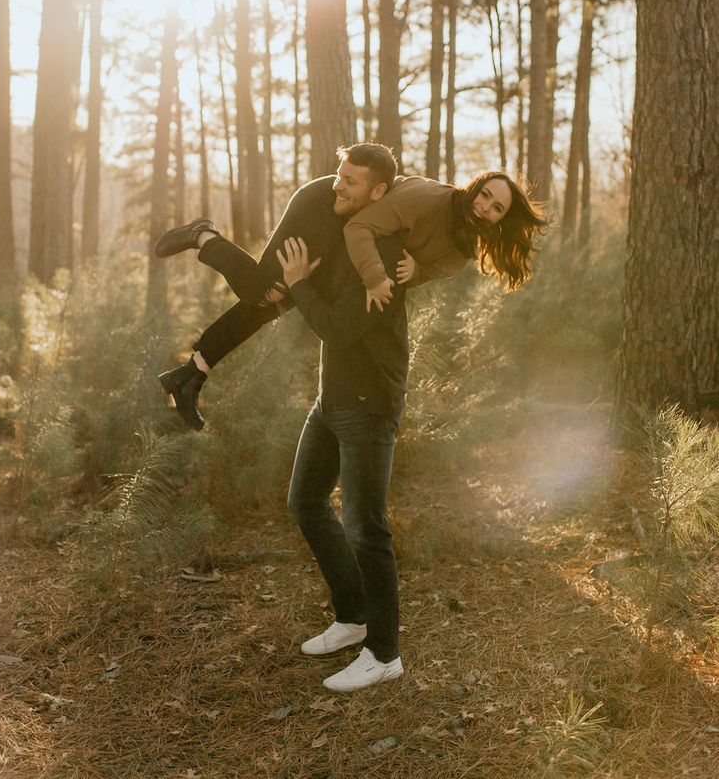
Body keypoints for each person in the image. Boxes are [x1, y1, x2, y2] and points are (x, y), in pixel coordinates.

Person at [154, 144, 547, 429]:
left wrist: (418, 269)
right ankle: (203, 235)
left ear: (500, 220)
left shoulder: (462, 249)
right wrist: (377, 279)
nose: (486, 208)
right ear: (475, 188)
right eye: (485, 196)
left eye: (497, 208)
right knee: (265, 291)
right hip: (329, 209)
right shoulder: (427, 198)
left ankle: (190, 376)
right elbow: (362, 228)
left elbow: (428, 268)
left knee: (274, 304)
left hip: (352, 234)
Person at [276, 143, 408, 691]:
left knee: (366, 528)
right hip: (332, 400)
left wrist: (299, 282)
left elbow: (339, 327)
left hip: (368, 406)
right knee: (305, 501)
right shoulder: (347, 234)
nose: (337, 187)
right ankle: (353, 620)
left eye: (350, 181)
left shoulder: (383, 254)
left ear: (378, 192)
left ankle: (385, 653)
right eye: (337, 175)